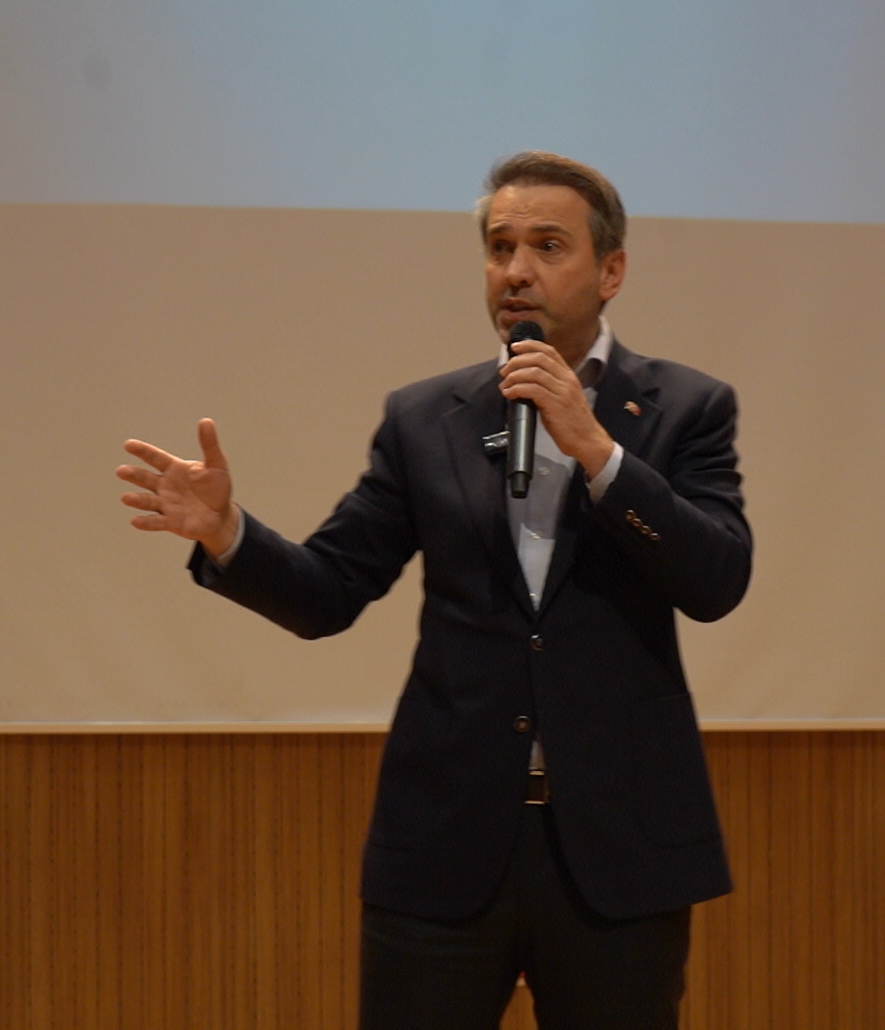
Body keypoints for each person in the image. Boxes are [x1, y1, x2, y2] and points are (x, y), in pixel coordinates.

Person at [115, 152, 752, 1030]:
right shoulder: (426, 420)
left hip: (620, 847)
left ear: (611, 271)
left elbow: (717, 580)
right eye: (500, 247)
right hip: (446, 840)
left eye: (548, 246)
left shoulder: (685, 407)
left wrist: (599, 453)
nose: (516, 270)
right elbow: (330, 590)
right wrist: (227, 532)